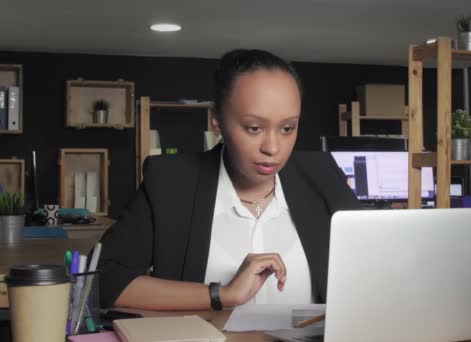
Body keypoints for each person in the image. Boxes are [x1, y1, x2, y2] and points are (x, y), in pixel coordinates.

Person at [98, 49, 361, 311]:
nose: (272, 147)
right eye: (254, 128)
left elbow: (377, 264)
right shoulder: (170, 183)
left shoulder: (322, 175)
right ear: (217, 121)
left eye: (287, 128)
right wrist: (221, 294)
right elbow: (105, 280)